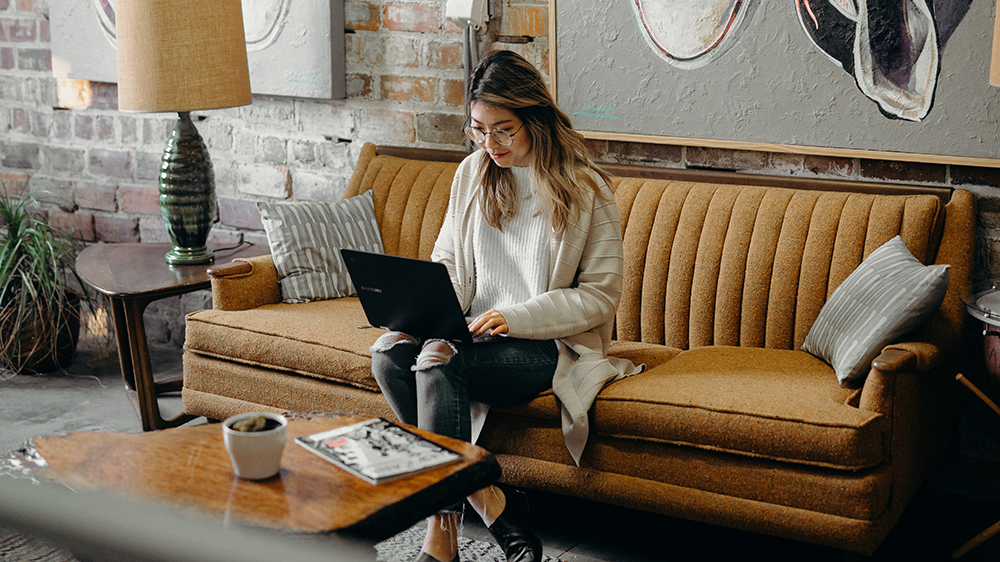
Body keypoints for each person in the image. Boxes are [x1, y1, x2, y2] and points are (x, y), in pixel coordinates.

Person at [369, 50, 640, 562]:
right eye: (477, 129)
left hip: (546, 345)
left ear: (534, 119)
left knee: (436, 362)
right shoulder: (472, 174)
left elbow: (600, 296)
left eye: (503, 131)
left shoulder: (586, 189)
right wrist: (425, 312)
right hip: (472, 333)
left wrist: (516, 317)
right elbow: (448, 260)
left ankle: (441, 536)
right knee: (388, 352)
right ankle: (489, 498)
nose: (489, 144)